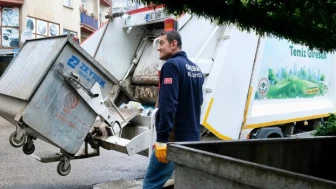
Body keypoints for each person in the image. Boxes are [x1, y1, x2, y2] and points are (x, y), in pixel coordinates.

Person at [142, 30, 204, 189]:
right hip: (192, 139)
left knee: (151, 183)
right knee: (183, 183)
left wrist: (162, 140)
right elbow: (199, 102)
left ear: (174, 44)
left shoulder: (171, 66)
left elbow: (168, 105)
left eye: (162, 43)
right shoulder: (196, 70)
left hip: (173, 139)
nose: (158, 48)